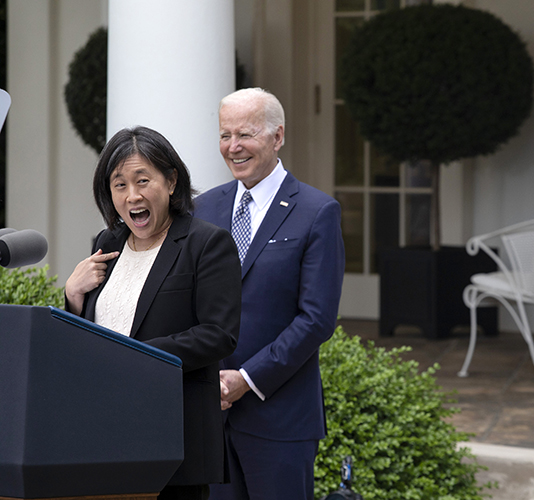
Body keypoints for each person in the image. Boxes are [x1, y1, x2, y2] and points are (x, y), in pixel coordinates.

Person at [65, 126, 241, 500]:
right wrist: (73, 296)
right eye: (119, 185)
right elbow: (85, 340)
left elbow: (218, 333)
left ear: (172, 181)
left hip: (172, 436)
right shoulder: (107, 243)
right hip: (103, 432)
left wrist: (133, 358)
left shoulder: (206, 243)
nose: (133, 196)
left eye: (143, 180)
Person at [193, 88, 345, 500]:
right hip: (209, 418)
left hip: (280, 421)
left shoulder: (317, 212)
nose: (233, 147)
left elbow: (316, 319)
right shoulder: (201, 209)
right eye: (225, 135)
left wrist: (246, 379)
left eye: (245, 134)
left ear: (278, 137)